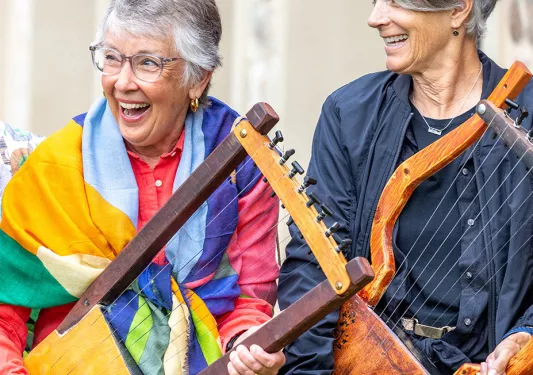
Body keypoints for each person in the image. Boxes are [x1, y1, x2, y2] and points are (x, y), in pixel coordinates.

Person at [0, 1, 285, 374]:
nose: (122, 82)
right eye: (113, 58)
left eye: (148, 62)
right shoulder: (59, 164)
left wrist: (248, 349)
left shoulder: (239, 161)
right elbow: (4, 310)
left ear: (198, 78)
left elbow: (249, 303)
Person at [279, 1, 533, 375]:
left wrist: (526, 334)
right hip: (370, 361)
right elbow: (316, 268)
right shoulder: (350, 114)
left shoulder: (525, 115)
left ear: (459, 10)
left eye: (397, 2)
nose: (376, 18)